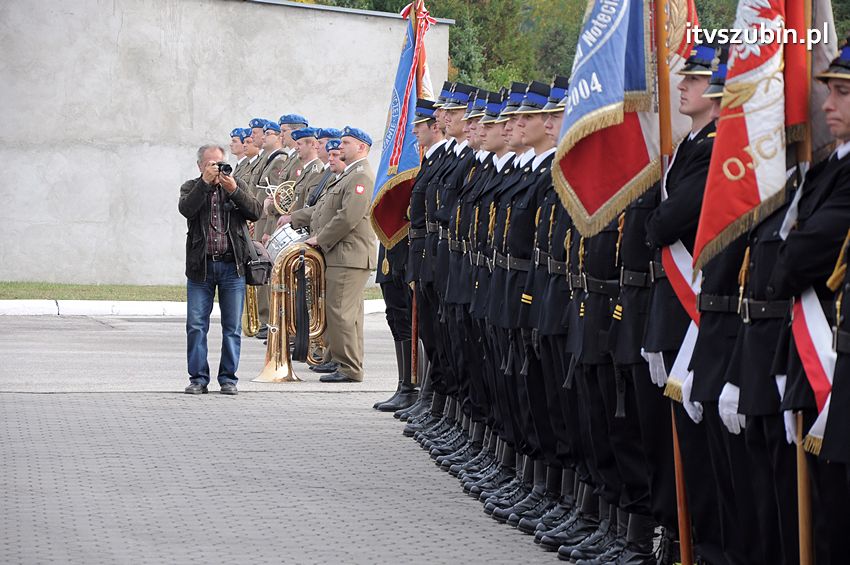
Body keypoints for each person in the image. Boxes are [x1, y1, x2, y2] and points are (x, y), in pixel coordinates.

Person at [178, 144, 263, 395]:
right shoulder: (190, 186)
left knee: (232, 327)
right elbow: (186, 209)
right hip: (200, 268)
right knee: (195, 326)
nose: (217, 169)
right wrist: (204, 184)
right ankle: (198, 379)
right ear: (200, 166)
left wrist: (234, 190)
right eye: (210, 164)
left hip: (231, 266)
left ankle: (228, 379)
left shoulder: (236, 185)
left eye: (220, 163)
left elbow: (256, 212)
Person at [305, 126, 377, 383]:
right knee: (346, 313)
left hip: (349, 255)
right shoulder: (349, 175)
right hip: (342, 254)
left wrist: (320, 239)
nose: (340, 146)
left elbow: (348, 216)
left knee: (341, 312)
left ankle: (348, 367)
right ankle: (345, 361)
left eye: (346, 142)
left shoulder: (361, 176)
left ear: (362, 148)